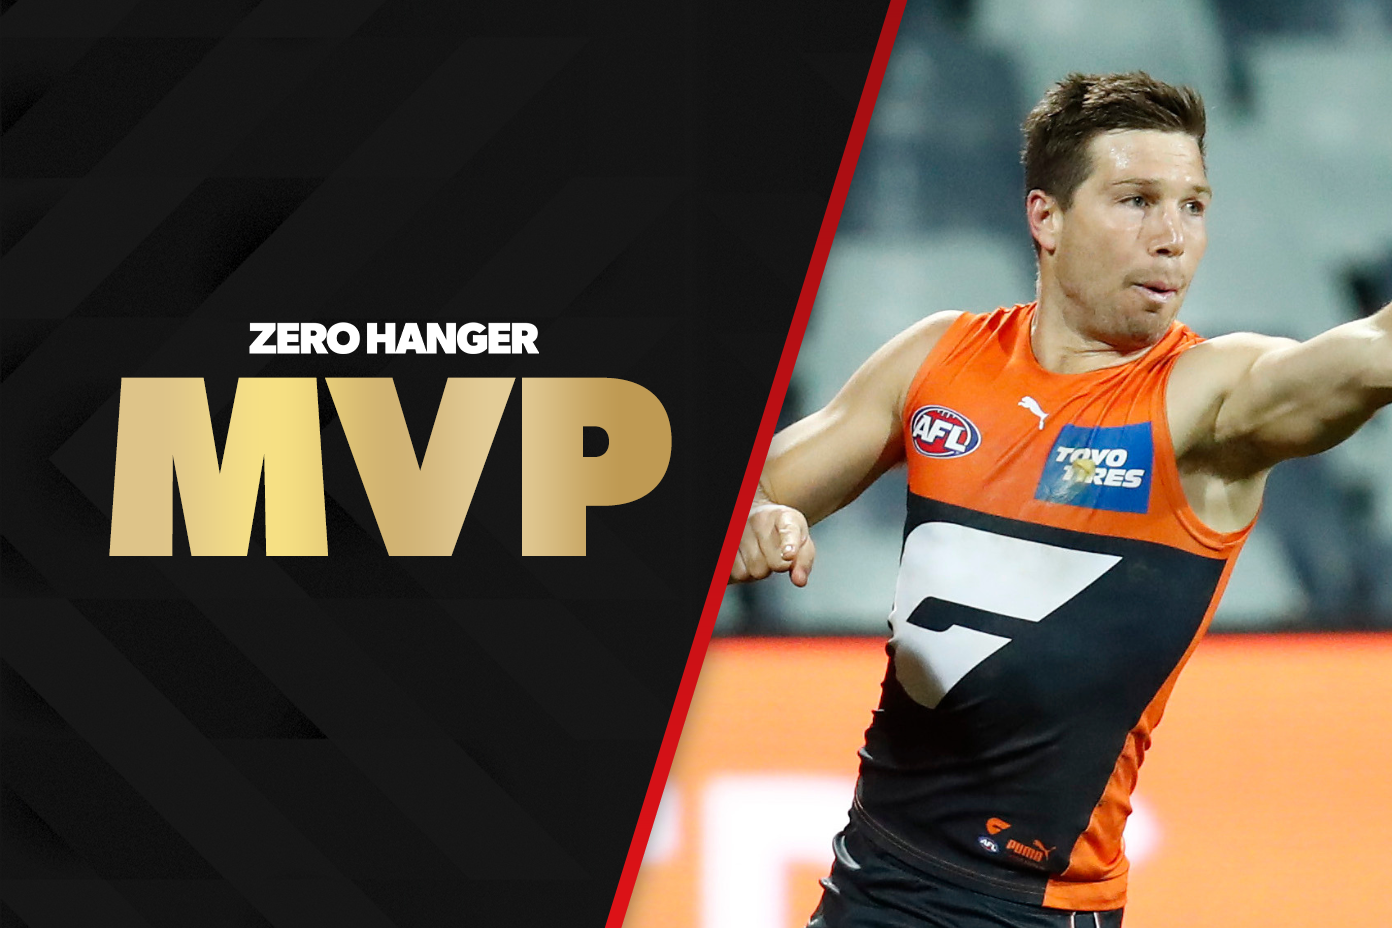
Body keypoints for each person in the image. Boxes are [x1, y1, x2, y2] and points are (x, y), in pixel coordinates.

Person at [729, 72, 1392, 928]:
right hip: (873, 880)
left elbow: (1373, 351)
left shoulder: (1207, 399)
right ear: (1046, 218)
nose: (1172, 239)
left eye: (1193, 206)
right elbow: (751, 492)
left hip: (1036, 909)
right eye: (1137, 201)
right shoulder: (939, 359)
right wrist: (757, 518)